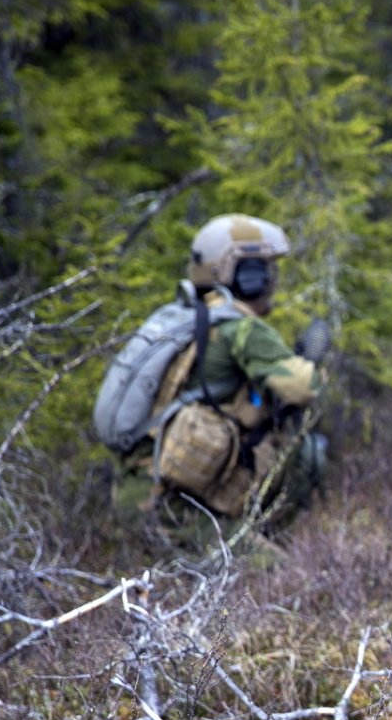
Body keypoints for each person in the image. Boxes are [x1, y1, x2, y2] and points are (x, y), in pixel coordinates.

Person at [111, 214, 325, 545]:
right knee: (276, 571)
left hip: (135, 492)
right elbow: (303, 387)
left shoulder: (187, 318)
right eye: (262, 271)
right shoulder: (239, 327)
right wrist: (313, 359)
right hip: (170, 509)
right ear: (241, 275)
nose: (271, 281)